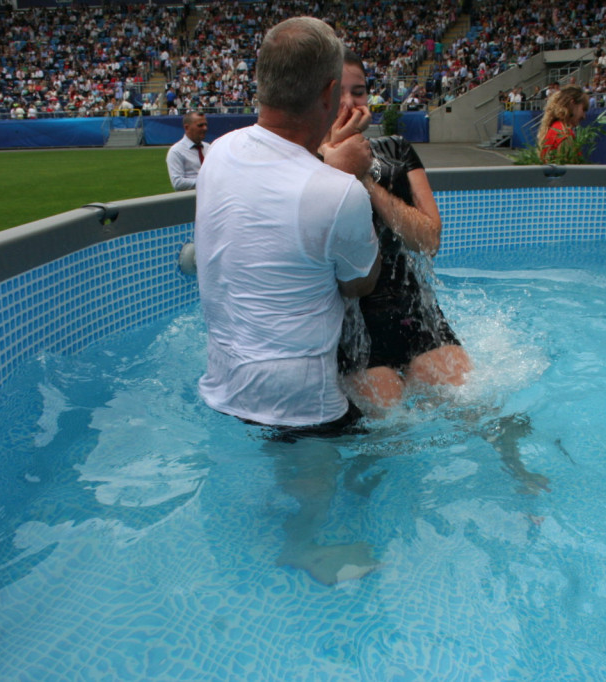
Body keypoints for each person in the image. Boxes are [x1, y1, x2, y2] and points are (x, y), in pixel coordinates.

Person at [193, 17, 382, 585]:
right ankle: (302, 545)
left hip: (225, 378)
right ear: (328, 93)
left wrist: (322, 161)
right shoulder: (338, 191)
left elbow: (272, 196)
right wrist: (342, 172)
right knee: (372, 454)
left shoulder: (219, 153)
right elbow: (361, 283)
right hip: (301, 397)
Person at [333, 51, 472, 411]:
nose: (349, 104)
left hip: (413, 308)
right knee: (386, 424)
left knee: (472, 402)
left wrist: (364, 178)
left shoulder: (396, 150)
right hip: (352, 326)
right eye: (337, 94)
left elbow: (429, 240)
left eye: (359, 92)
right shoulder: (303, 165)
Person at [537, 85, 589, 162]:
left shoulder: (555, 127)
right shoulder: (563, 134)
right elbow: (569, 172)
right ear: (572, 104)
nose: (584, 116)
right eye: (583, 109)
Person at [166, 111, 210, 191]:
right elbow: (178, 183)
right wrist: (206, 183)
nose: (205, 128)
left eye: (205, 124)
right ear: (187, 127)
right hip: (191, 200)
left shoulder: (209, 148)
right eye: (200, 125)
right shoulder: (176, 151)